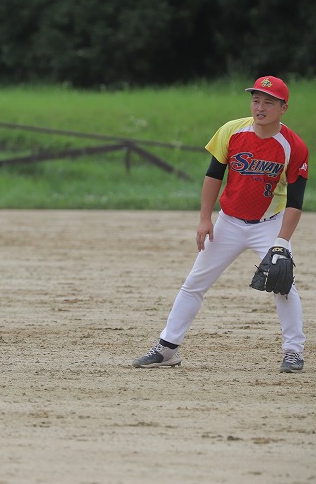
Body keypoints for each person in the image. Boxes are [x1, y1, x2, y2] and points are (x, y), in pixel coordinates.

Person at [132, 76, 309, 373]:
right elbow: (213, 175)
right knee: (194, 284)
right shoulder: (232, 131)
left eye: (268, 102)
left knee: (284, 285)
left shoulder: (293, 145)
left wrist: (281, 241)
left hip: (269, 224)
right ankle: (167, 349)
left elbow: (296, 201)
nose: (260, 107)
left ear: (283, 108)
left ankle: (293, 352)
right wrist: (205, 218)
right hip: (229, 222)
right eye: (256, 100)